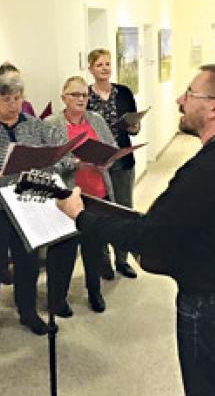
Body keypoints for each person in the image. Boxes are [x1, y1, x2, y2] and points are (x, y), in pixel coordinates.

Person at [56, 65, 215, 395]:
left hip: (211, 305)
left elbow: (148, 236)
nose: (180, 99)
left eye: (190, 94)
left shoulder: (208, 168)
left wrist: (81, 217)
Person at [0, 74, 72, 336]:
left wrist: (48, 165)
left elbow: (61, 157)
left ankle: (28, 311)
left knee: (28, 262)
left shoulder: (35, 126)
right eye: (6, 99)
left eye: (17, 98)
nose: (13, 104)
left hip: (25, 205)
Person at [42, 76, 111, 315]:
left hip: (96, 195)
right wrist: (73, 163)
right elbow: (45, 162)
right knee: (63, 251)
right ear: (64, 97)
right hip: (66, 197)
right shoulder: (51, 124)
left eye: (84, 95)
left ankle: (94, 291)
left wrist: (107, 161)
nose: (81, 99)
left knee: (94, 249)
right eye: (75, 95)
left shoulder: (96, 120)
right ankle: (57, 299)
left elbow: (111, 147)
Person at [85, 48, 141, 279]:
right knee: (100, 212)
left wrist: (134, 127)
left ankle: (122, 259)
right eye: (99, 65)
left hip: (122, 160)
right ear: (90, 69)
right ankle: (103, 260)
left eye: (107, 64)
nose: (105, 68)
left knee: (124, 210)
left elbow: (134, 128)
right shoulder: (85, 96)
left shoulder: (124, 92)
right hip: (96, 163)